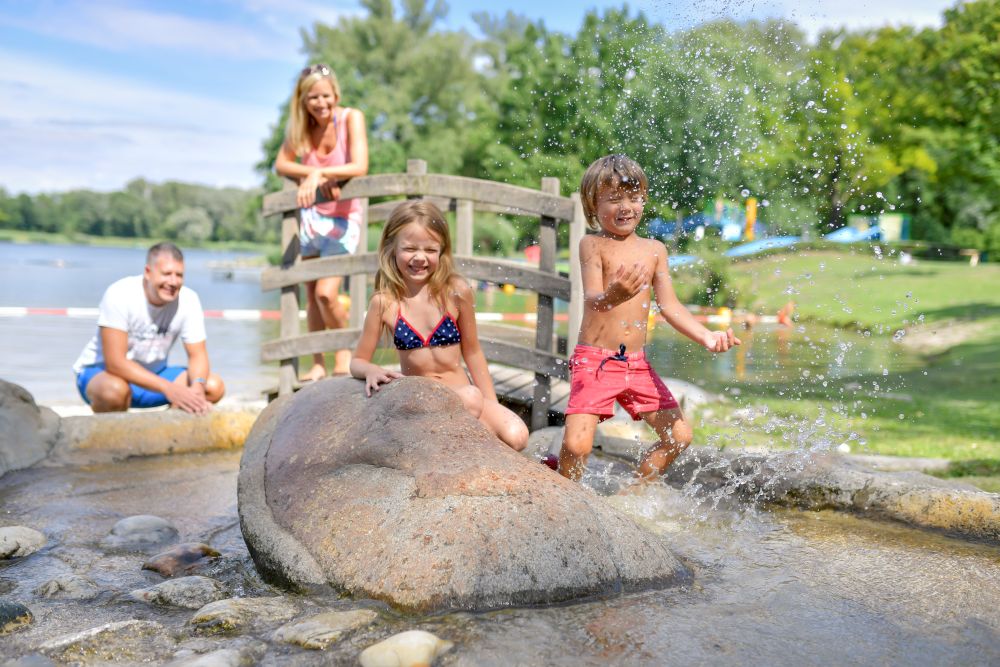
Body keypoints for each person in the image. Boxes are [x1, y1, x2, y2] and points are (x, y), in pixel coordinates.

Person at [555, 155, 740, 481]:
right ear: (592, 205)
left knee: (679, 436)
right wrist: (614, 295)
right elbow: (594, 301)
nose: (626, 206)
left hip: (636, 364)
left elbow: (671, 307)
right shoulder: (592, 245)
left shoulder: (655, 250)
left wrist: (706, 336)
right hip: (595, 361)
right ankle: (565, 495)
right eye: (613, 199)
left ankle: (636, 494)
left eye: (634, 197)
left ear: (644, 198)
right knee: (577, 444)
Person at [350, 200, 529, 451]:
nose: (420, 258)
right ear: (391, 248)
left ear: (442, 251)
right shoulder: (385, 302)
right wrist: (370, 371)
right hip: (422, 399)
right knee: (471, 399)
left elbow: (473, 352)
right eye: (410, 248)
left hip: (466, 395)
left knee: (517, 434)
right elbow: (357, 361)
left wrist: (492, 402)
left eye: (430, 250)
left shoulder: (456, 292)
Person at [274, 63, 369, 381]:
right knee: (312, 292)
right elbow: (281, 164)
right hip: (313, 218)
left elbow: (360, 165)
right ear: (303, 99)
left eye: (326, 96)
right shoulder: (300, 129)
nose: (321, 103)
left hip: (343, 218)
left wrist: (320, 173)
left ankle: (343, 356)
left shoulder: (350, 118)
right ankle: (317, 363)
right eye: (313, 97)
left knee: (328, 293)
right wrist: (311, 175)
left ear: (336, 94)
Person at [73, 242, 225, 414]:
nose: (173, 282)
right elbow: (115, 363)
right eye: (166, 274)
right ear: (148, 272)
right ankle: (112, 438)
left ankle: (170, 435)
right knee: (113, 391)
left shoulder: (189, 299)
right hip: (103, 374)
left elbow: (198, 355)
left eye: (179, 275)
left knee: (212, 386)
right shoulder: (120, 293)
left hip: (155, 376)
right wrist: (169, 389)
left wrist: (197, 388)